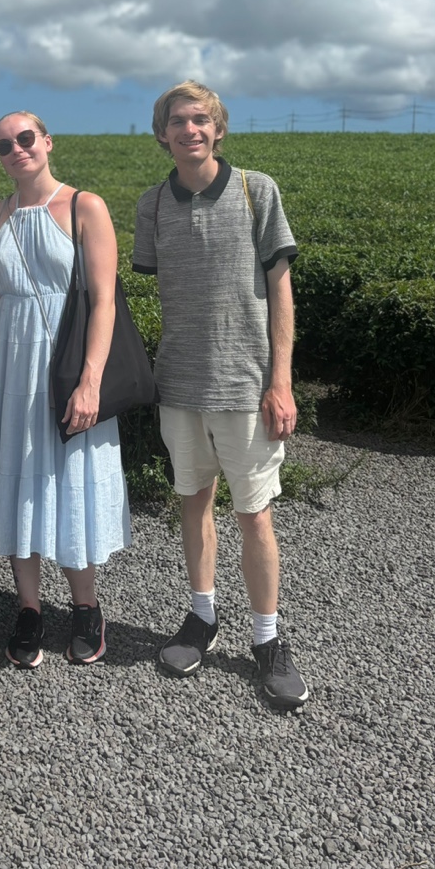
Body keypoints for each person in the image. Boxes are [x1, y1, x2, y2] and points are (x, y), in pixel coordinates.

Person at [133, 81, 309, 709]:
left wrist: (279, 380)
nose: (190, 130)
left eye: (201, 119)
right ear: (163, 134)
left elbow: (281, 292)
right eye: (178, 121)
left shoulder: (255, 190)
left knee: (253, 513)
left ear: (219, 128)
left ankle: (268, 638)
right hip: (179, 382)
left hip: (246, 385)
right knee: (192, 502)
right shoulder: (151, 205)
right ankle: (202, 618)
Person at [0, 112, 131, 668]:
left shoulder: (87, 205)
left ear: (47, 141)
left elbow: (103, 299)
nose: (15, 150)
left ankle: (86, 607)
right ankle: (29, 608)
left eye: (25, 138)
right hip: (8, 367)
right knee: (19, 480)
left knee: (69, 478)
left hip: (64, 364)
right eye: (3, 145)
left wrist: (91, 382)